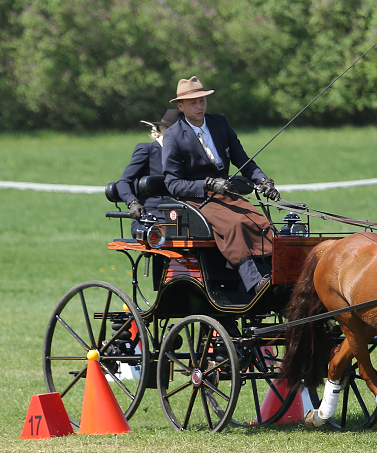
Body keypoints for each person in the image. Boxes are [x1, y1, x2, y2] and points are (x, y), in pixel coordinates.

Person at [161, 76, 281, 295]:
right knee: (234, 224)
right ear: (180, 106)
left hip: (226, 194)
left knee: (261, 222)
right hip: (196, 198)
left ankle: (275, 275)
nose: (199, 106)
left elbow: (244, 161)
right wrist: (208, 184)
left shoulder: (219, 123)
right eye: (193, 103)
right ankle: (255, 283)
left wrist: (263, 180)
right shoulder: (173, 136)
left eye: (202, 101)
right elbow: (173, 184)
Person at [116, 108, 183, 237]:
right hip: (151, 215)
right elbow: (123, 182)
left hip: (179, 214)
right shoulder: (147, 150)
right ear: (161, 131)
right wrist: (133, 203)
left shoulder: (182, 156)